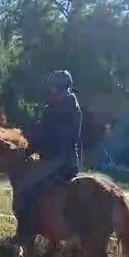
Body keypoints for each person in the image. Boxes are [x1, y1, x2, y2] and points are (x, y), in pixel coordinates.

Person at [15, 70, 82, 246]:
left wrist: (41, 146)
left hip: (61, 160)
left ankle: (25, 234)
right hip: (56, 158)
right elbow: (42, 134)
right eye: (50, 88)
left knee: (26, 187)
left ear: (62, 88)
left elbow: (61, 137)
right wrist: (29, 149)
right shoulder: (53, 108)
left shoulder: (67, 109)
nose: (50, 91)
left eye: (53, 88)